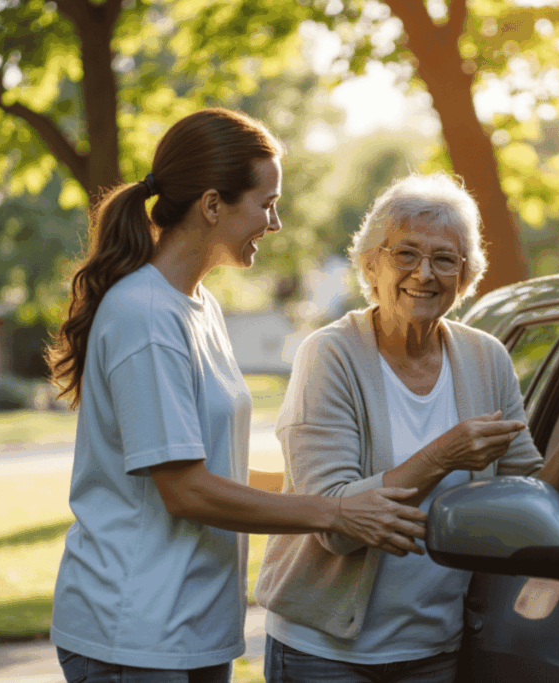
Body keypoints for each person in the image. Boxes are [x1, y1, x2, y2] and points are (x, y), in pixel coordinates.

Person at [46, 108, 427, 683]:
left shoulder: (198, 305)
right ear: (212, 204)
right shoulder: (145, 315)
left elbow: (216, 469)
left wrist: (344, 488)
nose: (274, 223)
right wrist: (337, 511)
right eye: (266, 203)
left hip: (193, 628)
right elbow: (186, 491)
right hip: (135, 634)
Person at [255, 172, 559, 683]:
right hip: (326, 654)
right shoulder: (330, 355)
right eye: (405, 254)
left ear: (465, 275)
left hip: (434, 648)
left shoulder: (485, 358)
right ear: (371, 264)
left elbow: (526, 509)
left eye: (445, 259)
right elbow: (333, 525)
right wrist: (444, 454)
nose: (424, 273)